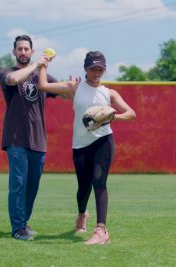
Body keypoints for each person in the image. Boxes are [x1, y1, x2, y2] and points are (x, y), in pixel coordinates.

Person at [38, 51, 136, 245]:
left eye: (100, 68)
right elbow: (42, 86)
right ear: (86, 69)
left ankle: (101, 230)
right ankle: (82, 214)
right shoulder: (75, 87)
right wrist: (43, 65)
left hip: (103, 141)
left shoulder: (109, 93)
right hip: (80, 144)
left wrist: (110, 116)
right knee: (83, 188)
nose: (97, 71)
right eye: (93, 68)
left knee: (99, 181)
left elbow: (131, 114)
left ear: (104, 69)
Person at [0, 35, 79, 241]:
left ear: (32, 51)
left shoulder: (43, 76)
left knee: (32, 185)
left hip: (38, 140)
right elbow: (14, 80)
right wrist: (37, 65)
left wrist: (72, 87)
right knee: (18, 183)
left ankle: (23, 223)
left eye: (27, 49)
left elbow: (66, 94)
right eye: (20, 49)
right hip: (16, 137)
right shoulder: (6, 72)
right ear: (14, 52)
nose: (23, 52)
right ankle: (17, 228)